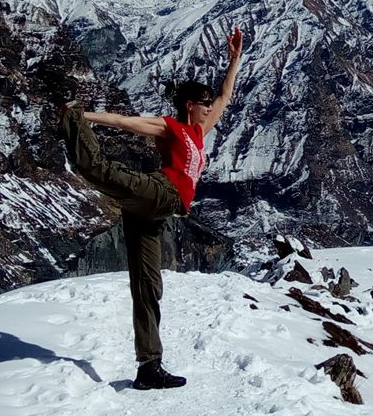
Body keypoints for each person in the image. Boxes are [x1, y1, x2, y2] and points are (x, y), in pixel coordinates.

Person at [57, 26, 244, 390]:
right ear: (190, 105)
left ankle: (149, 367)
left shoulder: (199, 132)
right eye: (203, 103)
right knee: (102, 170)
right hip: (160, 192)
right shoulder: (171, 127)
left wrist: (234, 59)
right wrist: (85, 116)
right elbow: (126, 123)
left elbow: (226, 95)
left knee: (147, 287)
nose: (210, 108)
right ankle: (70, 119)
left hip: (156, 211)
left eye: (209, 104)